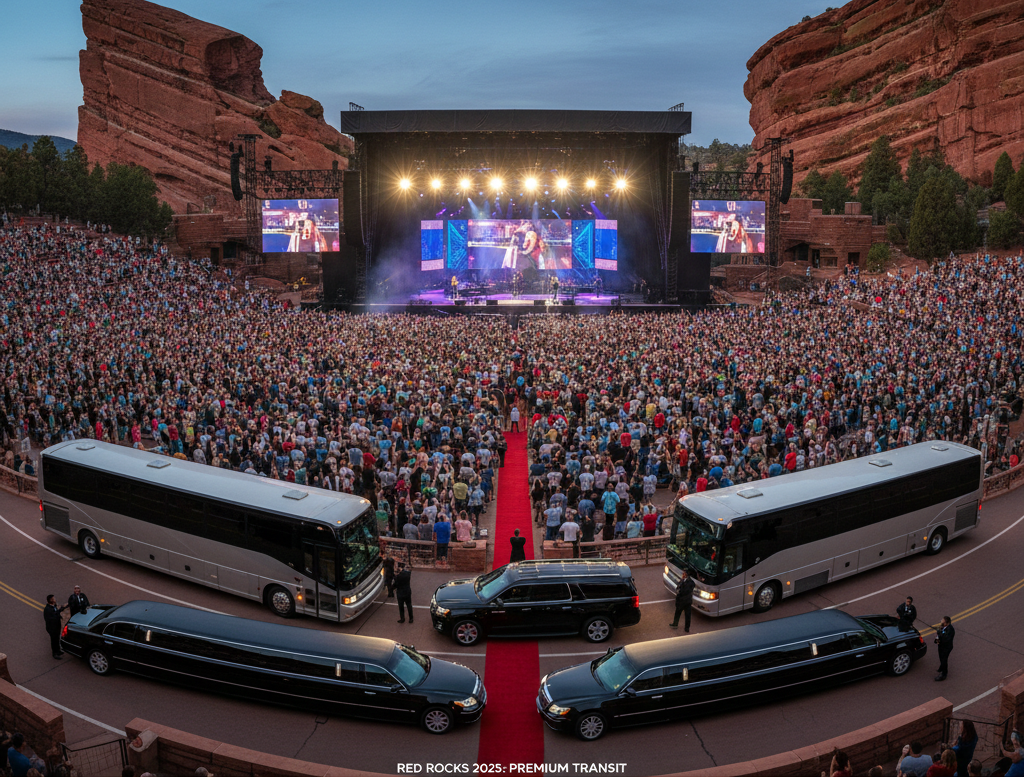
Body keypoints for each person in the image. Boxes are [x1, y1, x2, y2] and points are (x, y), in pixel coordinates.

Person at [44, 595, 66, 659]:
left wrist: (61, 609)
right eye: (53, 599)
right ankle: (55, 653)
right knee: (54, 640)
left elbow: (56, 612)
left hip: (57, 626)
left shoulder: (54, 606)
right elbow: (50, 619)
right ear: (50, 600)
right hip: (52, 628)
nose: (54, 599)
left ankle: (58, 650)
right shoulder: (47, 609)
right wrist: (57, 616)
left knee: (57, 639)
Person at [935, 616, 955, 681]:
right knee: (941, 657)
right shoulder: (943, 627)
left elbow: (945, 639)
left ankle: (944, 674)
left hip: (946, 647)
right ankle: (941, 667)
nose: (941, 621)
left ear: (946, 623)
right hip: (941, 645)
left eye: (942, 621)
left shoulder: (950, 630)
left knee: (944, 659)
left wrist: (939, 633)